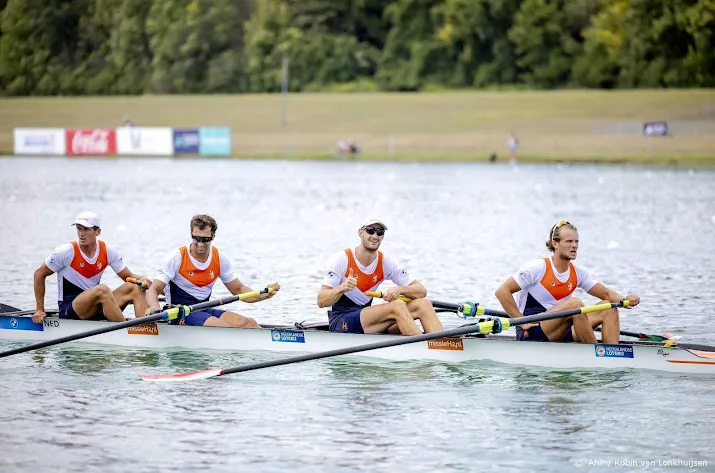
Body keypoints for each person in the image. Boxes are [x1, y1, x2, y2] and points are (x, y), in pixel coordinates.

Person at [494, 221, 640, 344]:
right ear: (555, 243)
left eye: (576, 241)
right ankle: (597, 356)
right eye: (569, 241)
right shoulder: (538, 268)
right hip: (532, 331)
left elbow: (607, 293)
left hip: (562, 329)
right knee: (575, 304)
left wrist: (625, 299)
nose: (574, 245)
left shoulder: (578, 272)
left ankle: (612, 356)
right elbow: (502, 292)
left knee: (608, 307)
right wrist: (520, 321)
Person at [145, 214, 280, 327]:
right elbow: (154, 289)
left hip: (204, 310)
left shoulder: (219, 258)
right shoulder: (177, 257)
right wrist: (154, 307)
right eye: (196, 238)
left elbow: (238, 289)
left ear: (213, 236)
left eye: (205, 239)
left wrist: (264, 294)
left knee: (249, 323)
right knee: (223, 327)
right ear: (191, 233)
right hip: (179, 313)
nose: (200, 244)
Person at [317, 217, 444, 335]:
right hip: (341, 321)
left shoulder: (385, 262)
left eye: (379, 232)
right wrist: (342, 288)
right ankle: (424, 348)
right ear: (360, 233)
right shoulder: (342, 259)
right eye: (370, 231)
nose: (375, 236)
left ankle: (442, 345)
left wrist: (399, 289)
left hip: (367, 322)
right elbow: (321, 301)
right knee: (397, 306)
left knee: (423, 304)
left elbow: (421, 290)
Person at [32, 211, 151, 323]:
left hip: (96, 305)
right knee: (102, 289)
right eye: (78, 228)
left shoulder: (108, 251)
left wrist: (142, 278)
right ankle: (126, 332)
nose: (81, 234)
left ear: (98, 231)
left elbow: (128, 277)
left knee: (135, 287)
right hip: (70, 309)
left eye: (86, 229)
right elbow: (39, 274)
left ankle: (148, 330)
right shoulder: (65, 252)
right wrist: (39, 310)